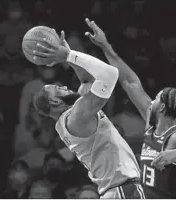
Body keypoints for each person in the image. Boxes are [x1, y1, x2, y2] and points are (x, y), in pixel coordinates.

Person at [85, 18, 176, 198]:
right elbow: (129, 82)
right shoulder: (152, 121)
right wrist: (105, 46)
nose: (151, 101)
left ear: (163, 108)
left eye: (156, 98)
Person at [32, 30, 145, 199]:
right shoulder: (77, 116)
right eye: (58, 89)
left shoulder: (73, 116)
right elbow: (110, 74)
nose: (64, 87)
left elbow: (88, 81)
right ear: (55, 102)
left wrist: (70, 59)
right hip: (123, 191)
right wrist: (69, 55)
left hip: (117, 190)